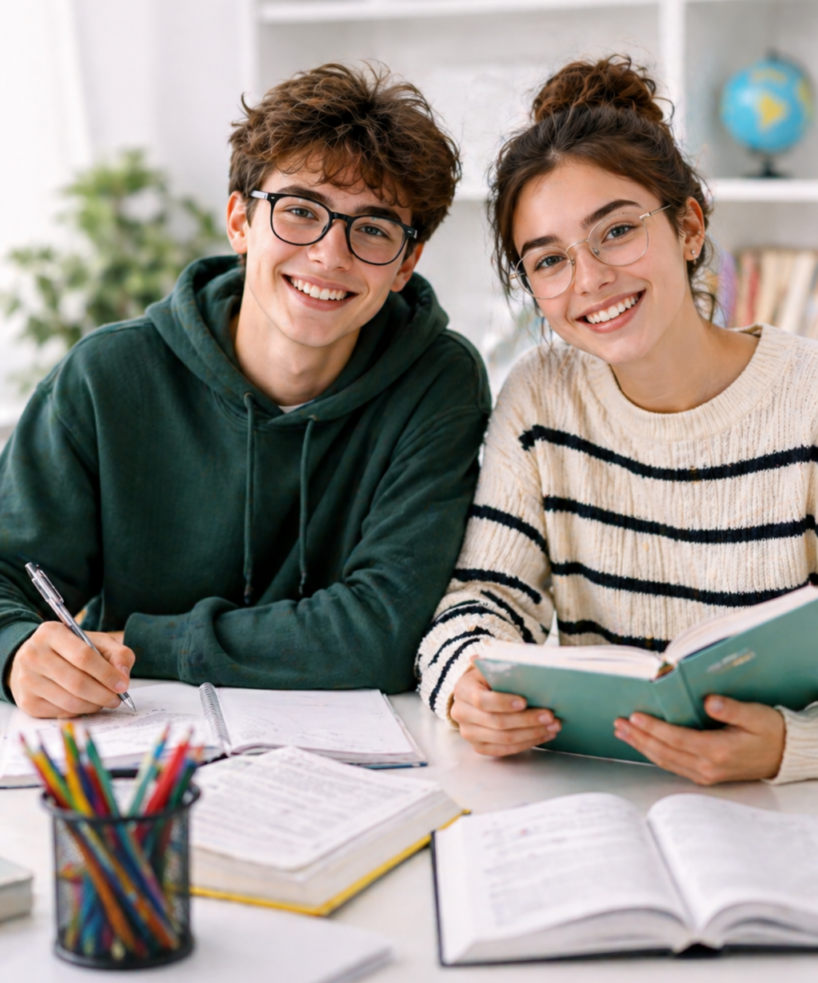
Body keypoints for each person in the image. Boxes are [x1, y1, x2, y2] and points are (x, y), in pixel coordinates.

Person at [0, 62, 490, 718]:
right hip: (138, 746)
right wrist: (16, 650)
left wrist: (140, 642)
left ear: (406, 264)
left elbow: (382, 632)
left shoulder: (437, 382)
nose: (329, 255)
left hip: (359, 765)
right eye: (300, 212)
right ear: (240, 221)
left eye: (372, 228)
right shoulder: (105, 376)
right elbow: (8, 577)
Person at [417, 55, 818, 785]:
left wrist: (792, 748)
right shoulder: (541, 396)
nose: (591, 280)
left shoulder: (807, 397)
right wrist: (463, 683)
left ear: (689, 227)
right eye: (548, 261)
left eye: (617, 231)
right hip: (599, 789)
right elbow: (482, 600)